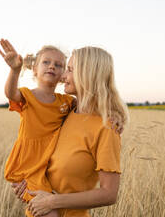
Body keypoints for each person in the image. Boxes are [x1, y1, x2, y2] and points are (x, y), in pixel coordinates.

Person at [14, 46, 128, 217]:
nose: (64, 76)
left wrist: (52, 201)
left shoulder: (106, 128)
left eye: (70, 70)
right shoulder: (65, 113)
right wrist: (27, 187)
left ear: (86, 74)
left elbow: (109, 194)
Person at [0, 39, 74, 217]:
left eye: (58, 64)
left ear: (64, 73)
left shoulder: (66, 102)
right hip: (28, 167)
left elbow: (89, 106)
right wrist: (15, 70)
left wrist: (115, 113)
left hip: (49, 165)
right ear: (34, 69)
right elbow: (10, 93)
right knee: (50, 212)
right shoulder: (27, 96)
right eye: (46, 62)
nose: (52, 66)